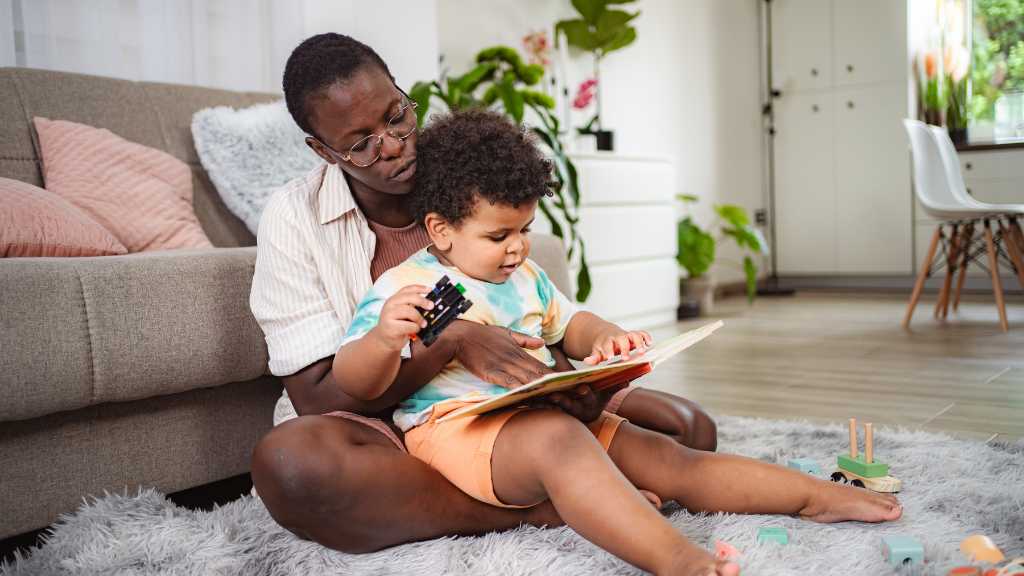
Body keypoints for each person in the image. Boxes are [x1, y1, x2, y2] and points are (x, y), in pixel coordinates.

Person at [334, 109, 903, 576]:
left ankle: (812, 496)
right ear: (440, 229)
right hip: (458, 431)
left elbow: (572, 324)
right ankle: (678, 560)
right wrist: (384, 337)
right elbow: (354, 381)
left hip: (540, 414)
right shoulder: (407, 286)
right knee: (561, 440)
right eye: (498, 235)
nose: (517, 248)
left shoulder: (526, 277)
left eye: (525, 230)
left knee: (666, 458)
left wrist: (608, 339)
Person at [250, 32, 713, 554]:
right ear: (323, 150)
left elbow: (533, 308)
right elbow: (315, 398)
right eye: (361, 144)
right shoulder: (294, 217)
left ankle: (549, 483)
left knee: (689, 429)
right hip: (390, 426)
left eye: (396, 116)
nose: (394, 145)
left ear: (402, 92)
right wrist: (453, 340)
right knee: (291, 466)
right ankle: (536, 510)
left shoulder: (460, 170)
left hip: (507, 409)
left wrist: (570, 388)